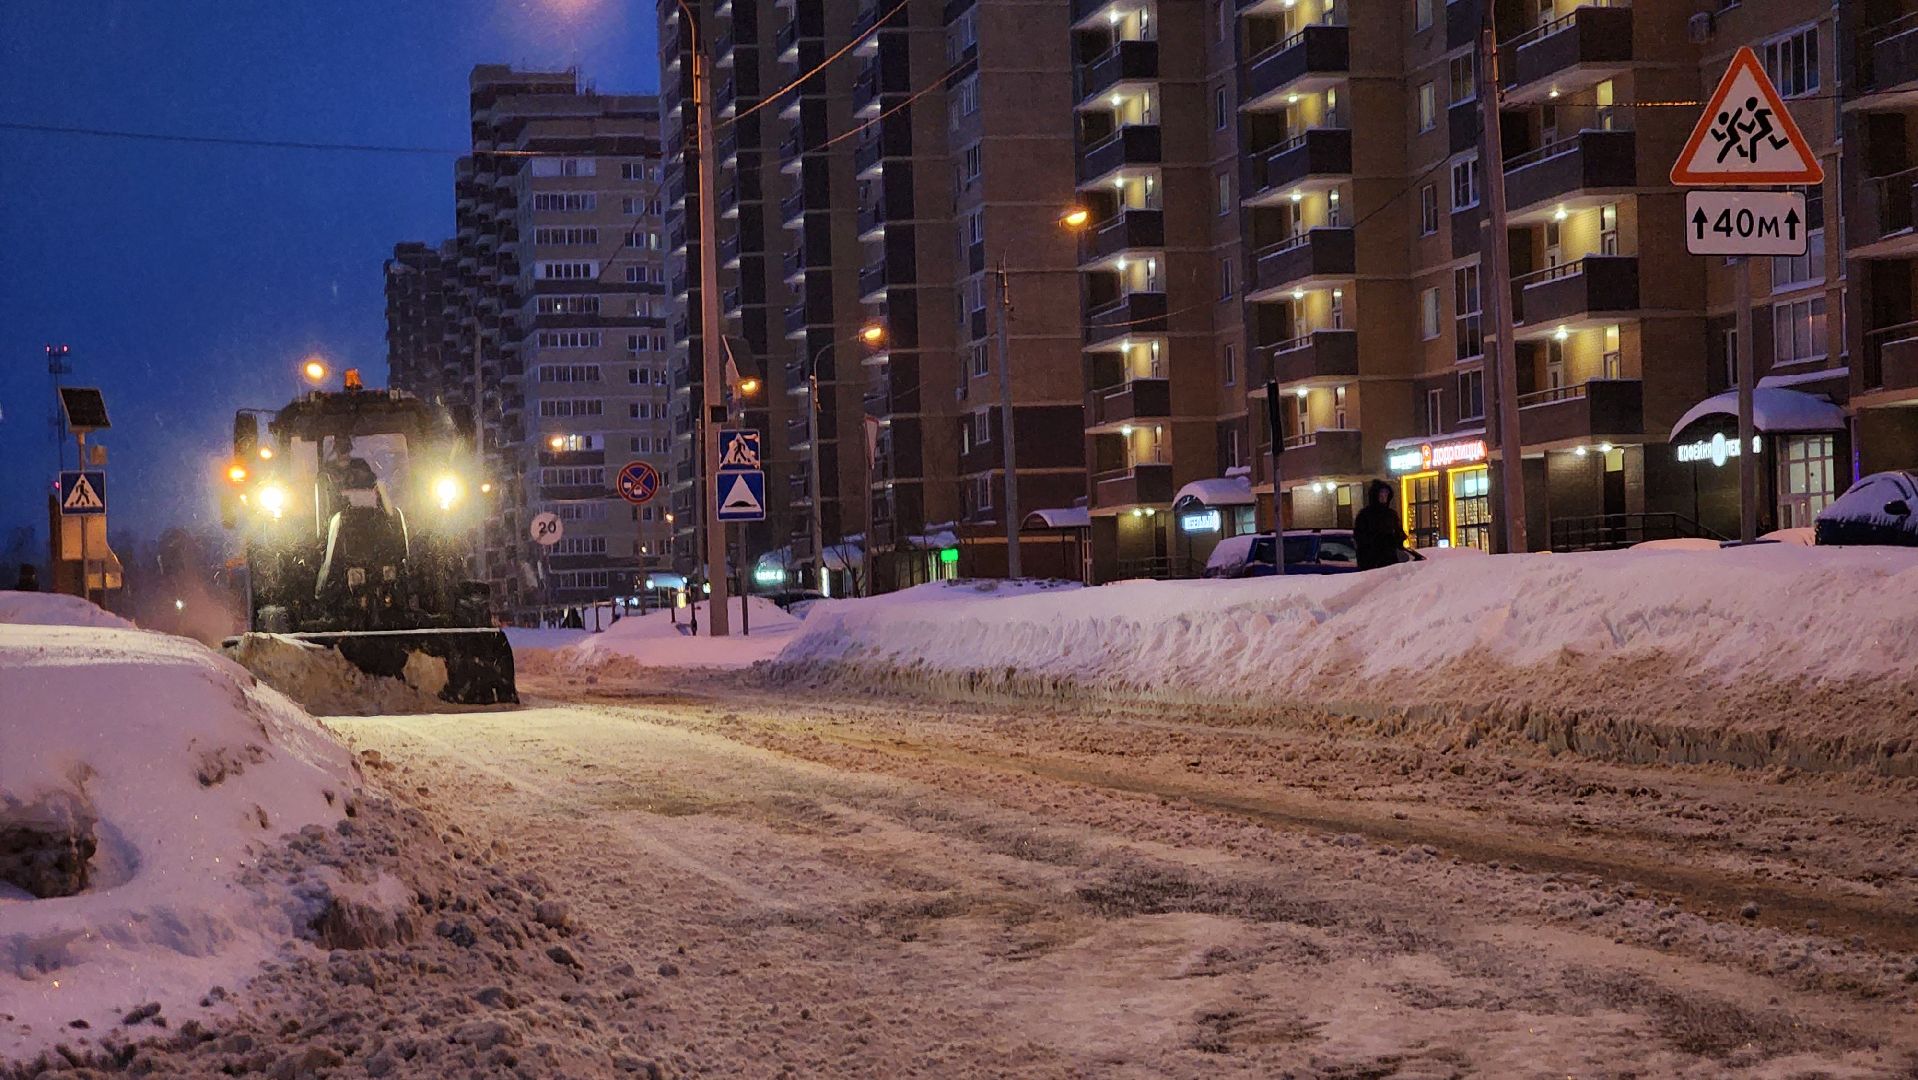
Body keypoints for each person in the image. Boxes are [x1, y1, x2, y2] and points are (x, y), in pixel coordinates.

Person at [1353, 479, 1407, 571]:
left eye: (1386, 493)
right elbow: (1360, 539)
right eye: (1381, 493)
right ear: (1375, 495)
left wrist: (1396, 539)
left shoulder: (1391, 515)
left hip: (1390, 563)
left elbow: (1399, 535)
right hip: (1371, 564)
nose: (1384, 496)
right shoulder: (1365, 515)